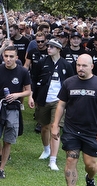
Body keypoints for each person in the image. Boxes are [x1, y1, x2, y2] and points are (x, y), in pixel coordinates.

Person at [51, 54, 97, 186]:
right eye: (78, 65)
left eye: (84, 66)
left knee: (90, 165)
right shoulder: (69, 83)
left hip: (92, 131)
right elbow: (61, 105)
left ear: (92, 66)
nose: (80, 68)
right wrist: (55, 124)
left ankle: (90, 179)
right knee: (71, 159)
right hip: (72, 129)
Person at [29, 38, 74, 171]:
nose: (48, 48)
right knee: (45, 127)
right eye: (48, 46)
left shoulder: (66, 65)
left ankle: (53, 160)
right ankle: (46, 149)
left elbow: (71, 82)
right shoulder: (42, 62)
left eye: (52, 47)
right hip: (43, 99)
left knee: (55, 128)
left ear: (59, 49)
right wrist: (32, 96)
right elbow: (34, 79)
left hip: (59, 101)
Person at [0, 47, 31, 178]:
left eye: (11, 56)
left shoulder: (23, 71)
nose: (8, 59)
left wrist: (17, 95)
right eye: (6, 56)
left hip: (13, 108)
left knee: (8, 140)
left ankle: (1, 169)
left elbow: (28, 91)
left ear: (17, 58)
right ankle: (0, 155)